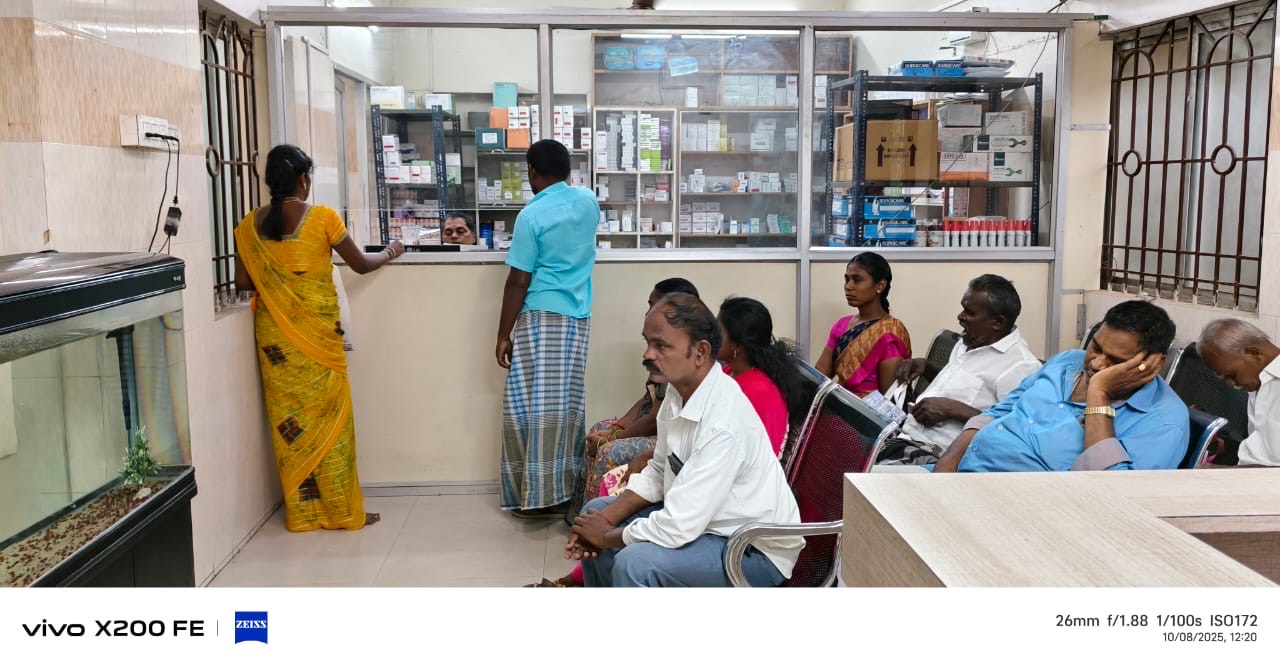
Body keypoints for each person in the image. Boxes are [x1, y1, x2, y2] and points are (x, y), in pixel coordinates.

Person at [566, 293, 803, 587]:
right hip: (708, 524)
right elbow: (658, 470)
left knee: (635, 562)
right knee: (596, 512)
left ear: (700, 352)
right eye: (648, 343)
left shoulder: (723, 423)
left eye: (661, 345)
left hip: (750, 547)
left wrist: (605, 535)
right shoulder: (679, 394)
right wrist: (601, 523)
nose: (648, 354)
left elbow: (679, 525)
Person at [233, 144, 404, 532]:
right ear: (303, 179)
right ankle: (342, 512)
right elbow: (361, 264)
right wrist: (392, 251)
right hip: (319, 341)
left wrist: (277, 282)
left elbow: (243, 282)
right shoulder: (322, 218)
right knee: (334, 427)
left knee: (290, 428)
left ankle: (304, 514)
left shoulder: (247, 227)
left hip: (276, 344)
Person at [934, 300, 1188, 473]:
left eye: (1116, 361)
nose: (1097, 364)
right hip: (964, 470)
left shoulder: (1164, 421)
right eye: (1096, 348)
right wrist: (947, 462)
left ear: (1153, 363)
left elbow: (1115, 494)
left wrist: (1099, 395)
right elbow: (999, 412)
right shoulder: (1067, 361)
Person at [495, 139, 600, 518]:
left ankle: (535, 496)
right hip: (577, 320)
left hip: (540, 319)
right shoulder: (588, 202)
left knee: (529, 409)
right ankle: (563, 491)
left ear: (533, 173)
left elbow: (518, 281)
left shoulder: (531, 216)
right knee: (567, 408)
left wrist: (503, 334)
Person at [567, 278, 701, 519]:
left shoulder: (683, 353)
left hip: (667, 436)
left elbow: (654, 419)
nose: (648, 311)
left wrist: (612, 439)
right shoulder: (663, 347)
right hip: (657, 427)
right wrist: (614, 430)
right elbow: (645, 400)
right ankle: (579, 516)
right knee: (599, 429)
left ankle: (600, 520)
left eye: (653, 304)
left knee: (608, 451)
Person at [879, 275, 1042, 465]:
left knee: (859, 476)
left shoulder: (1021, 367)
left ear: (997, 322)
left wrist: (954, 410)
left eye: (969, 312)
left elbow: (1016, 434)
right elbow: (959, 387)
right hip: (906, 436)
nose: (960, 316)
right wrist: (926, 367)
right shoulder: (970, 341)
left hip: (940, 455)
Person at [716, 297, 808, 456]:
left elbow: (763, 457)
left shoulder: (761, 392)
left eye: (718, 331)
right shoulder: (730, 371)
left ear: (737, 345)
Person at [814, 252, 911, 396]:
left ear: (880, 285)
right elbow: (819, 377)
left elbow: (890, 401)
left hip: (867, 415)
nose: (848, 286)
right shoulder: (842, 325)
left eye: (857, 280)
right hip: (838, 405)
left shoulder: (889, 334)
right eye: (847, 279)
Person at [1199, 319, 1280, 467]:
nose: (1230, 383)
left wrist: (1224, 472)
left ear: (1254, 354)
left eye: (1232, 374)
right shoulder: (1260, 382)